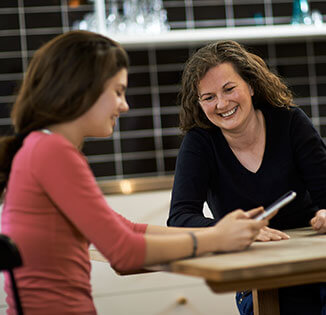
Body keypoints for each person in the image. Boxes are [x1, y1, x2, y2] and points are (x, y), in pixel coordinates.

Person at [0, 31, 268, 315]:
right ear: (81, 89)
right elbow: (124, 254)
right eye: (117, 91)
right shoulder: (52, 153)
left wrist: (224, 231)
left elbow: (126, 230)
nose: (125, 105)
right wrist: (217, 238)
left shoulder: (40, 147)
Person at [167, 40, 326, 315]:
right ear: (199, 103)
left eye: (229, 89)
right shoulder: (199, 143)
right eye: (209, 97)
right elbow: (180, 217)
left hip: (314, 266)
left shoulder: (290, 122)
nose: (222, 103)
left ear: (251, 86)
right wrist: (231, 231)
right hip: (256, 277)